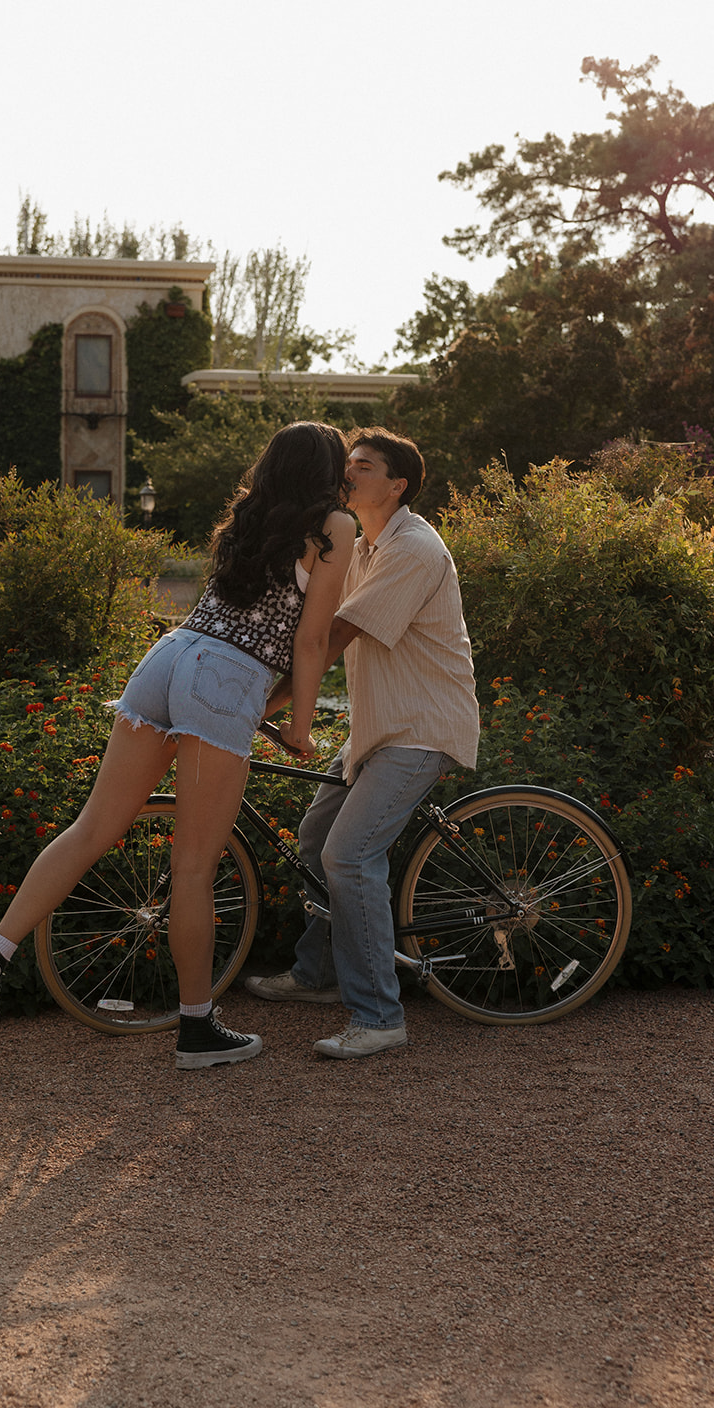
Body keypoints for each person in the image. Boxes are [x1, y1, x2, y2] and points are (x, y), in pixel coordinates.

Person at [0, 422, 356, 1070]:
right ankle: (196, 1029)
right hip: (226, 677)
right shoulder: (334, 525)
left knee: (91, 828)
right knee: (194, 866)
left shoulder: (247, 519)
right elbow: (310, 641)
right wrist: (301, 725)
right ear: (329, 470)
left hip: (169, 658)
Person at [247, 427, 479, 1059]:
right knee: (318, 839)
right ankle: (317, 975)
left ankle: (379, 1015)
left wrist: (255, 705)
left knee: (349, 857)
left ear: (396, 485)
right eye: (347, 464)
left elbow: (339, 631)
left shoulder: (412, 547)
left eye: (364, 467)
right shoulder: (364, 544)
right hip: (377, 730)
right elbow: (308, 619)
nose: (349, 474)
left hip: (421, 729)